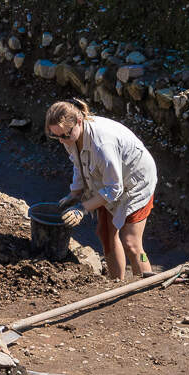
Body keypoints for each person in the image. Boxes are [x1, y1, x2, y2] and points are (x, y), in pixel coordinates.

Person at [43, 98, 158, 280]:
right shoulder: (71, 137)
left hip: (136, 182)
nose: (61, 141)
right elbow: (79, 164)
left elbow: (114, 189)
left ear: (79, 121)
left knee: (132, 243)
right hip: (108, 180)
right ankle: (115, 284)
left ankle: (146, 280)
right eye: (56, 136)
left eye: (64, 135)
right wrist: (75, 193)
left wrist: (82, 208)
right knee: (106, 234)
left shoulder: (102, 145)